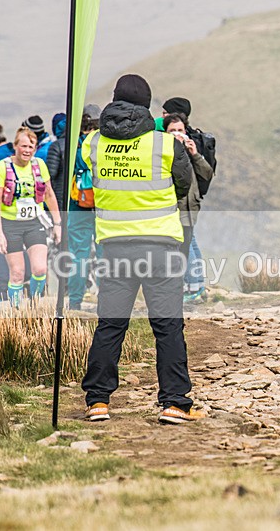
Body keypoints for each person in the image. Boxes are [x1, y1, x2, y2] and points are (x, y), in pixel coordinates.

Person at [80, 74, 201, 425]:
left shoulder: (92, 143)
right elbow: (184, 185)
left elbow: (88, 173)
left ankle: (98, 401)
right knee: (167, 327)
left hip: (114, 247)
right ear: (147, 105)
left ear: (115, 100)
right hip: (160, 247)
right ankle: (175, 403)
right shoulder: (166, 144)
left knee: (110, 325)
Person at [0, 127, 62, 307]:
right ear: (15, 146)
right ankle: (16, 310)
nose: (27, 150)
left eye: (31, 147)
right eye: (23, 146)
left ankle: (34, 305)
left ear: (35, 148)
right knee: (17, 273)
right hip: (10, 224)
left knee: (40, 269)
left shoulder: (39, 165)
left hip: (34, 223)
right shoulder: (2, 167)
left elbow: (49, 195)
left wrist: (57, 224)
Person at [163, 112, 214, 303]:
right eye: (172, 130)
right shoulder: (163, 151)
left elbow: (207, 174)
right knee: (187, 242)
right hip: (172, 206)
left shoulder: (191, 151)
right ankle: (196, 285)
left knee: (185, 244)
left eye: (180, 130)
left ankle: (193, 287)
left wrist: (195, 155)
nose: (177, 134)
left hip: (189, 206)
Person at [67, 104, 102, 310]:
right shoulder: (106, 145)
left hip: (78, 204)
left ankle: (74, 301)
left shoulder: (74, 147)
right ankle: (107, 301)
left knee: (78, 254)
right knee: (104, 252)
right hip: (103, 205)